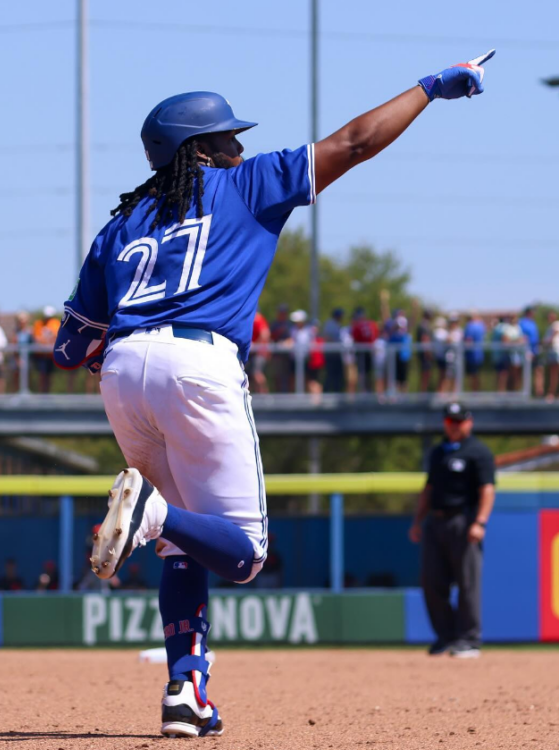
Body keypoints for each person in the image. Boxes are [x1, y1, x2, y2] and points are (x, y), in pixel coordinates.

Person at [53, 55, 494, 737]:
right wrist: (430, 88)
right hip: (197, 362)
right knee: (243, 552)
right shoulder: (246, 183)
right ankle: (152, 515)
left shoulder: (123, 222)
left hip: (122, 368)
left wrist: (121, 353)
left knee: (180, 552)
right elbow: (354, 143)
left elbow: (68, 349)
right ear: (198, 150)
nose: (241, 147)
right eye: (228, 138)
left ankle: (186, 692)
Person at [409, 403, 496, 658]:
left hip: (464, 522)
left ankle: (469, 640)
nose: (454, 426)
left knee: (468, 583)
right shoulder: (438, 452)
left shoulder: (479, 452)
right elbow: (429, 489)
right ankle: (446, 637)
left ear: (469, 422)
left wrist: (480, 522)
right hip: (436, 522)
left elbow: (487, 490)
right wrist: (417, 521)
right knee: (431, 581)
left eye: (459, 421)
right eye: (450, 421)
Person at [32, 306, 61, 393]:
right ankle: (41, 393)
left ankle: (48, 394)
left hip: (51, 355)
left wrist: (46, 340)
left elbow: (56, 337)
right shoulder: (38, 323)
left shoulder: (56, 323)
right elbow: (37, 338)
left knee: (50, 376)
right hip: (41, 355)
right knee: (42, 375)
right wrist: (47, 340)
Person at [351, 307, 379, 392]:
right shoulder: (372, 323)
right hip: (371, 351)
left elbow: (355, 339)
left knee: (362, 373)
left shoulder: (357, 325)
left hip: (362, 352)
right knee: (370, 373)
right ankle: (369, 390)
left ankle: (364, 390)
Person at [519, 306, 543, 397]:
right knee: (524, 373)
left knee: (538, 370)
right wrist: (528, 351)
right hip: (526, 352)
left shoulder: (533, 323)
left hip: (535, 351)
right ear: (528, 312)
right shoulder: (522, 322)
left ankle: (539, 392)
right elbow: (523, 337)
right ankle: (522, 393)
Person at [269, 304, 292, 393]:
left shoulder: (289, 325)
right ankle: (277, 393)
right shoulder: (274, 325)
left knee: (287, 376)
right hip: (276, 356)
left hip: (287, 356)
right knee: (277, 376)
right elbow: (270, 338)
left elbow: (291, 339)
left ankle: (287, 395)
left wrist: (285, 343)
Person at [247, 310, 271, 394]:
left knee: (257, 373)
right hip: (251, 353)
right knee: (248, 376)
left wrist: (255, 344)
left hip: (259, 353)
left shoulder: (258, 318)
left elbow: (265, 334)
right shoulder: (250, 318)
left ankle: (264, 396)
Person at [322, 308, 345, 393]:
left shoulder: (338, 324)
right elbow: (327, 337)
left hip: (337, 353)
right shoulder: (330, 324)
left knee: (338, 376)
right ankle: (326, 393)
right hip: (331, 354)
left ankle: (337, 392)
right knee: (330, 375)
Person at [463, 310, 486, 392]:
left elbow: (468, 341)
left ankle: (474, 392)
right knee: (476, 374)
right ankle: (476, 391)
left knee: (473, 375)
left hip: (472, 355)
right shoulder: (481, 326)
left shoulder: (470, 326)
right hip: (479, 354)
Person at [416, 309, 434, 393]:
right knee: (425, 375)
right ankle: (423, 394)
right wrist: (429, 354)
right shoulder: (424, 325)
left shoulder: (422, 324)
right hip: (425, 355)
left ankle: (423, 392)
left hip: (423, 354)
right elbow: (425, 340)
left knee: (425, 375)